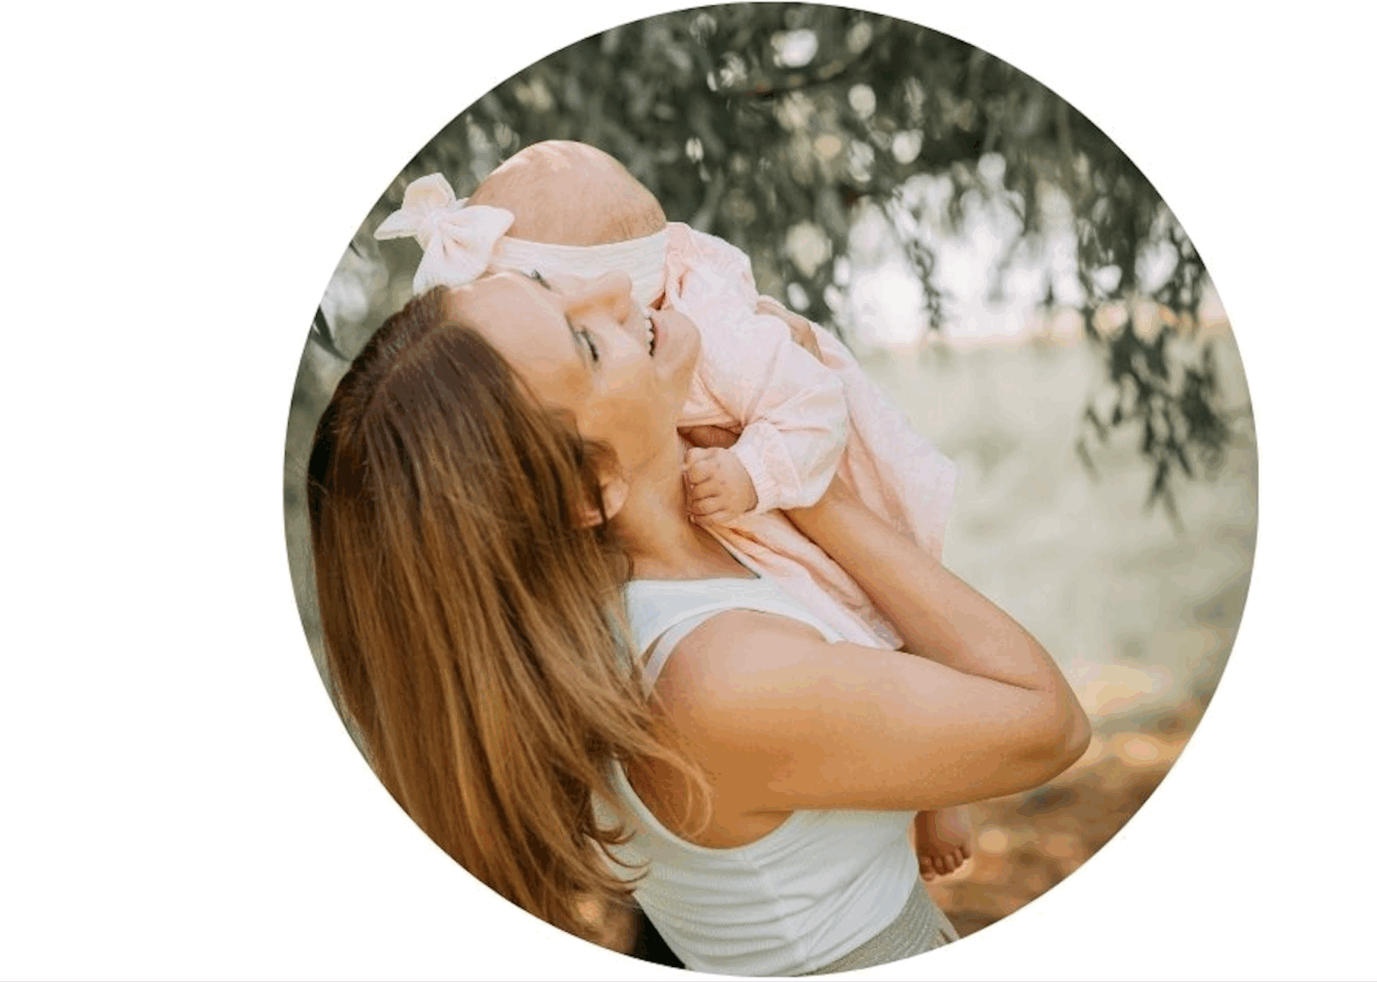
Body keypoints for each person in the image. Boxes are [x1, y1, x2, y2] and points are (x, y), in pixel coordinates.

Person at [306, 268, 1090, 975]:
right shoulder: (719, 676)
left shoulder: (677, 573)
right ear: (593, 487)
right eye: (587, 343)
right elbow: (1048, 724)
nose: (614, 287)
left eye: (549, 279)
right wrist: (807, 485)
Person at [375, 140, 972, 879]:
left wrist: (754, 473)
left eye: (559, 293)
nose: (600, 302)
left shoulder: (714, 335)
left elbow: (813, 406)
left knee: (877, 611)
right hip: (756, 503)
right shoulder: (709, 664)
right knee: (855, 623)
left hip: (794, 470)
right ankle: (940, 771)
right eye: (579, 336)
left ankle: (944, 789)